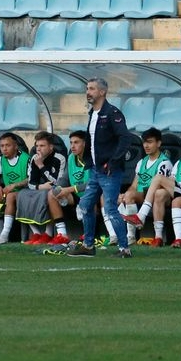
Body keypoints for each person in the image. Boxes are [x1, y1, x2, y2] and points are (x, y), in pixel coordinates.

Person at [68, 77, 134, 258]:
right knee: (86, 204)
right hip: (96, 170)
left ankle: (124, 248)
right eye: (87, 89)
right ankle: (88, 246)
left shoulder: (112, 113)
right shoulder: (93, 113)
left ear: (102, 92)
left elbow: (125, 138)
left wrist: (113, 162)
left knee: (110, 209)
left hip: (109, 171)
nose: (88, 92)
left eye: (91, 89)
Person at [122, 128, 181, 248]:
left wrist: (175, 184)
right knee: (159, 193)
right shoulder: (179, 162)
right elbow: (172, 180)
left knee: (159, 178)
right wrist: (173, 184)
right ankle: (158, 237)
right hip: (179, 192)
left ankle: (141, 215)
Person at [118, 127, 172, 246]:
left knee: (157, 193)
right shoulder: (141, 162)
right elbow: (134, 186)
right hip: (144, 195)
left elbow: (162, 188)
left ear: (158, 143)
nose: (146, 145)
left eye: (150, 142)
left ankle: (158, 236)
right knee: (129, 194)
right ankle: (131, 236)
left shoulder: (164, 162)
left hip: (160, 196)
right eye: (144, 142)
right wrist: (125, 195)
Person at [17, 131, 70, 246]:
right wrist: (40, 186)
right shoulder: (34, 158)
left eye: (42, 146)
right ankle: (36, 233)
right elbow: (30, 182)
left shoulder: (59, 158)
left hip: (54, 190)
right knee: (22, 194)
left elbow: (58, 182)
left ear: (50, 147)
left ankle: (48, 233)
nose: (38, 149)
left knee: (47, 194)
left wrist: (41, 166)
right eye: (37, 146)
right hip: (39, 188)